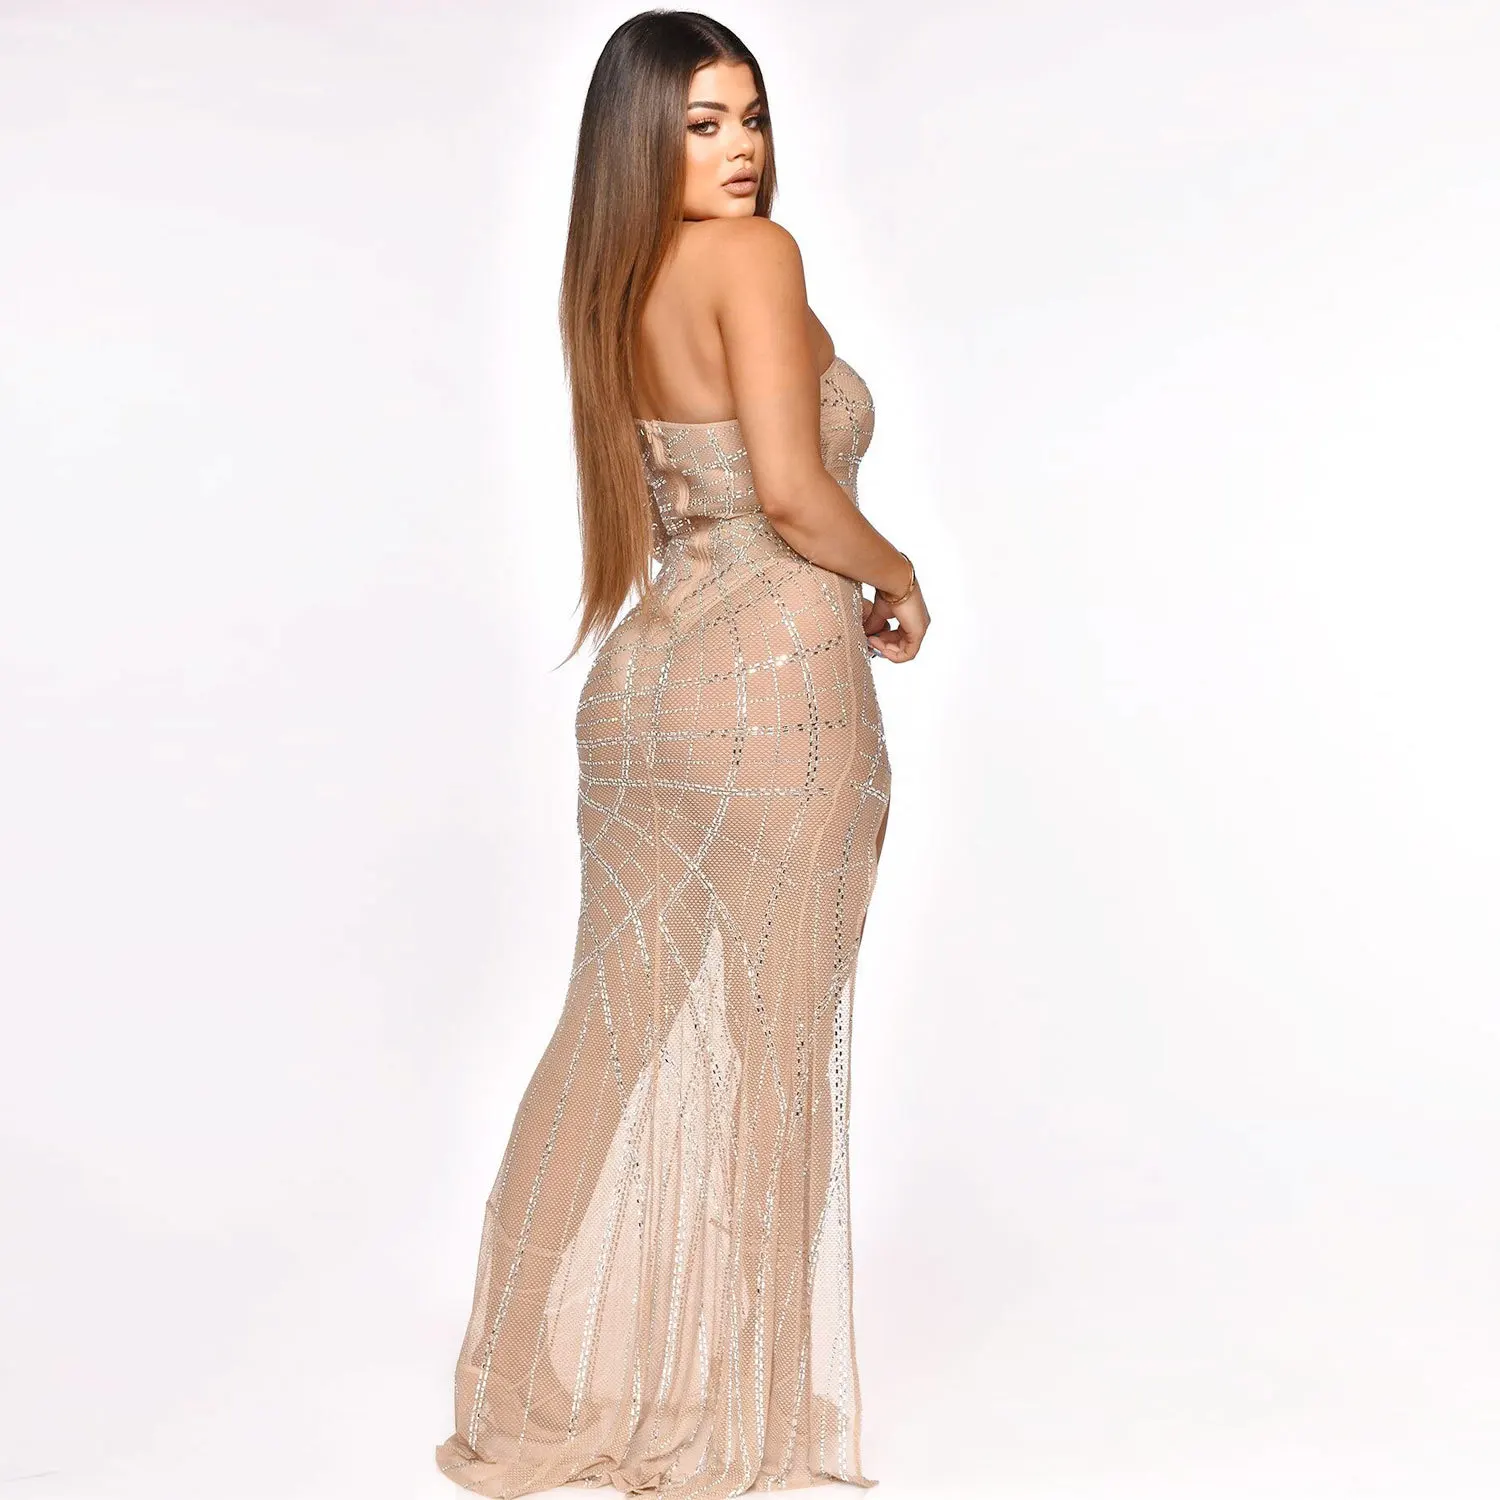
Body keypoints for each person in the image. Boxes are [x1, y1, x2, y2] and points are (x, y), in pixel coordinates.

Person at [435, 11, 930, 1498]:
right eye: (704, 123)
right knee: (777, 1048)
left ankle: (512, 1378)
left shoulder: (616, 279)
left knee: (606, 1033)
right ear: (641, 138)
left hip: (644, 692)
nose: (741, 150)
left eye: (752, 117)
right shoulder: (754, 260)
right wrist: (900, 574)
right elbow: (792, 494)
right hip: (776, 690)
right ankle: (741, 1418)